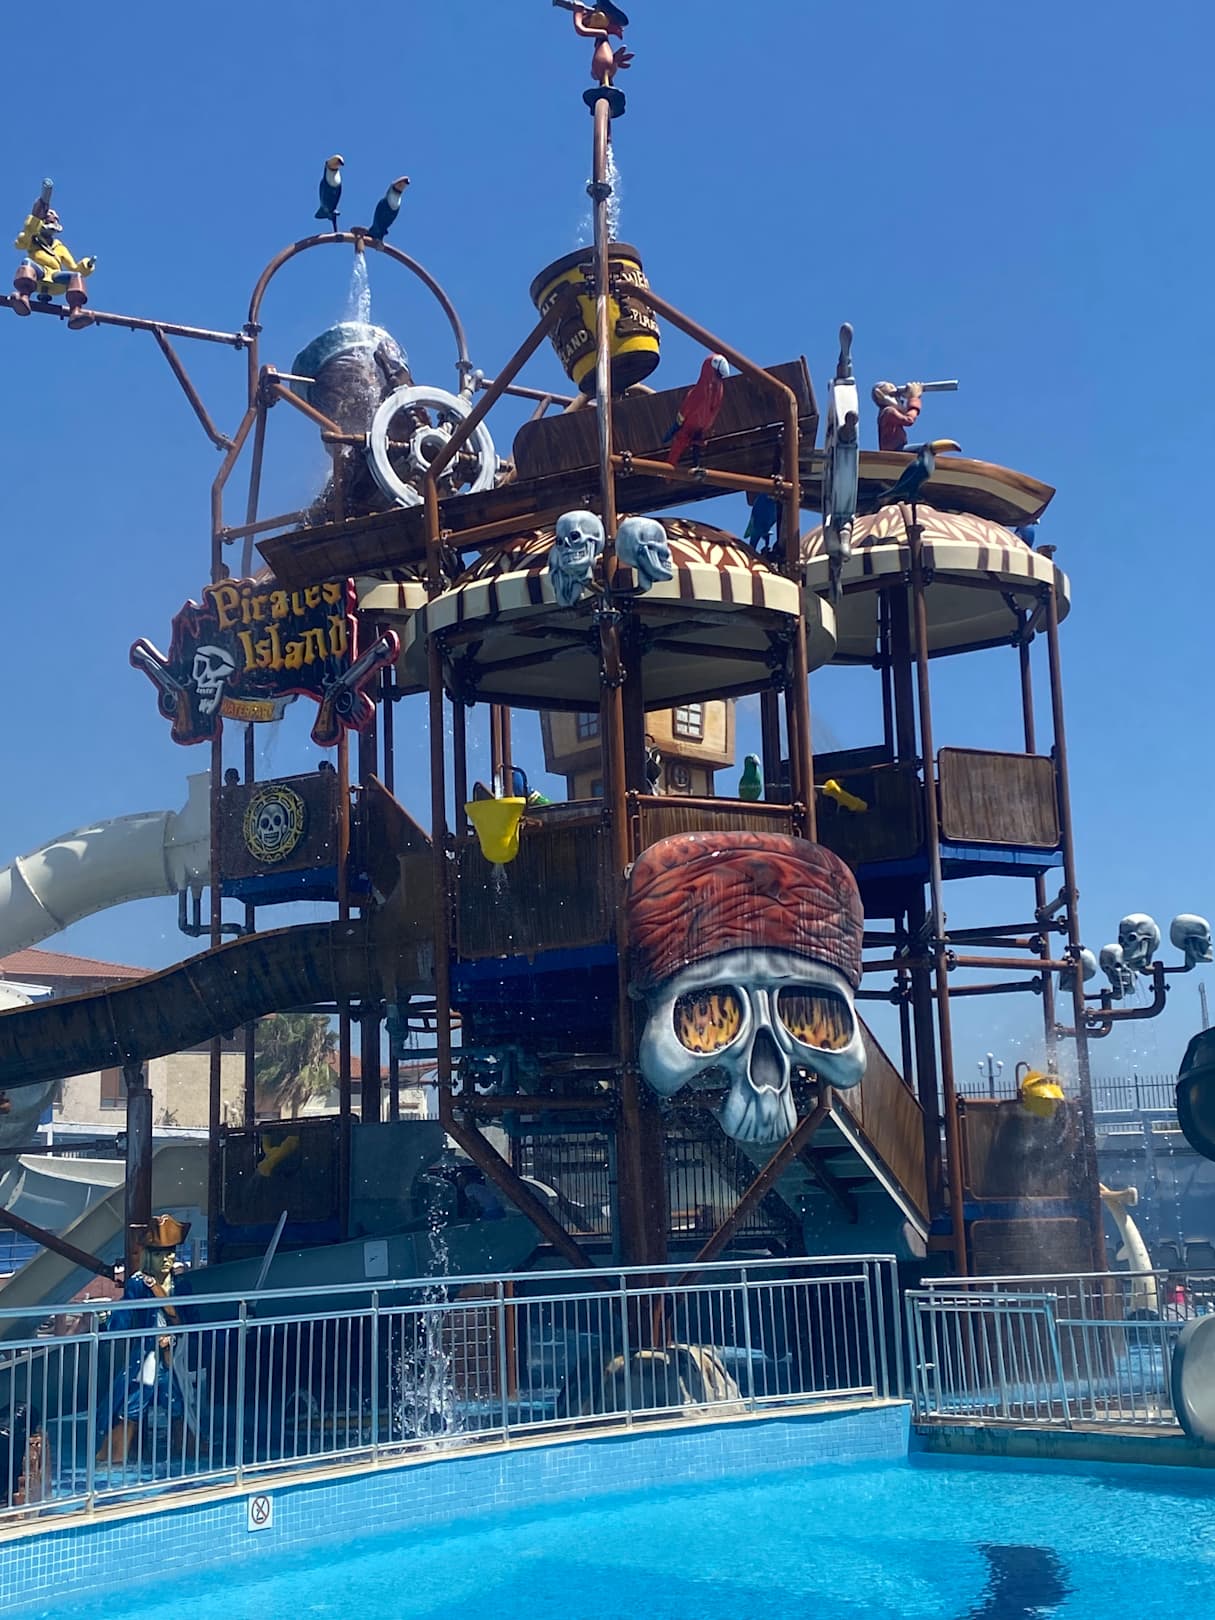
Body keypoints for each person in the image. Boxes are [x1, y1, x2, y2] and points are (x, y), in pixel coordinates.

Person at [95, 1215, 196, 1470]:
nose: (167, 1259)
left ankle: (187, 1450)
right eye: (161, 1254)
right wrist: (108, 1323)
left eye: (171, 1253)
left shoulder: (181, 1285)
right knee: (135, 1402)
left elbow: (191, 1318)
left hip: (173, 1357)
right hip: (149, 1356)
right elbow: (125, 1316)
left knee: (177, 1403)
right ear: (150, 1255)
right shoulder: (140, 1284)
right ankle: (115, 1456)